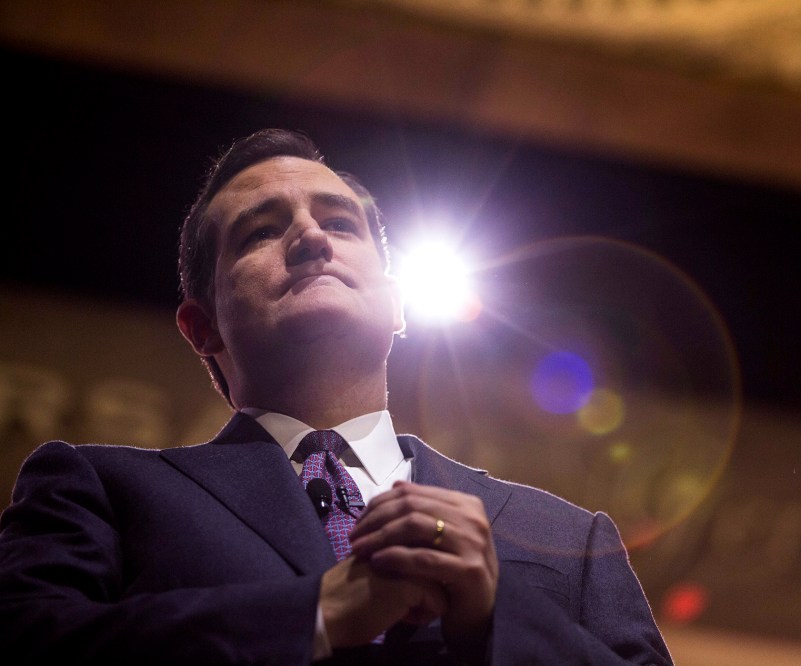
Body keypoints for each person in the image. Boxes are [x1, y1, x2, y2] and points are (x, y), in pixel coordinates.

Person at [0, 128, 673, 665]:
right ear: (201, 327)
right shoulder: (100, 489)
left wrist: (500, 618)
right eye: (262, 231)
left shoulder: (573, 540)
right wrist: (314, 613)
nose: (312, 238)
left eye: (341, 224)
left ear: (398, 301)